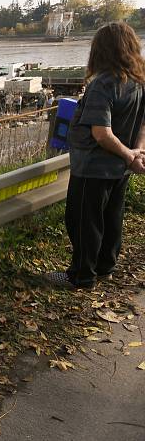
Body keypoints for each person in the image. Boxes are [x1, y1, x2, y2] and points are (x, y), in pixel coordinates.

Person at [46, 22, 145, 289]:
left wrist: (128, 155)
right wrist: (136, 153)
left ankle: (81, 276)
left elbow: (101, 134)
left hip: (94, 166)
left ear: (100, 50)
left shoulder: (105, 83)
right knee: (112, 217)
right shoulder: (138, 80)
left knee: (82, 221)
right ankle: (105, 267)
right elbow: (143, 124)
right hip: (120, 169)